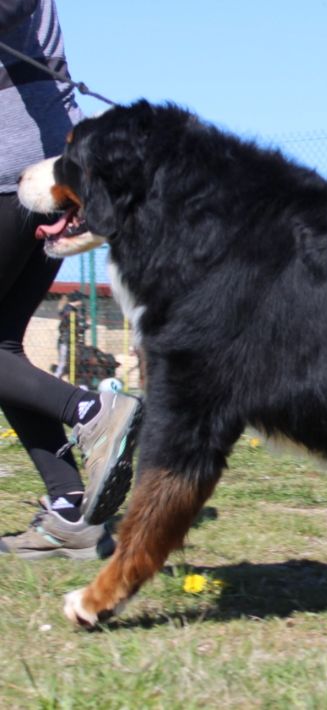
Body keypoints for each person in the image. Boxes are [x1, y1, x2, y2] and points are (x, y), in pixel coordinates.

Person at [0, 0, 141, 559]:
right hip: (41, 166)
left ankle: (93, 413)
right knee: (3, 347)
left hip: (18, 172)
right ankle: (69, 512)